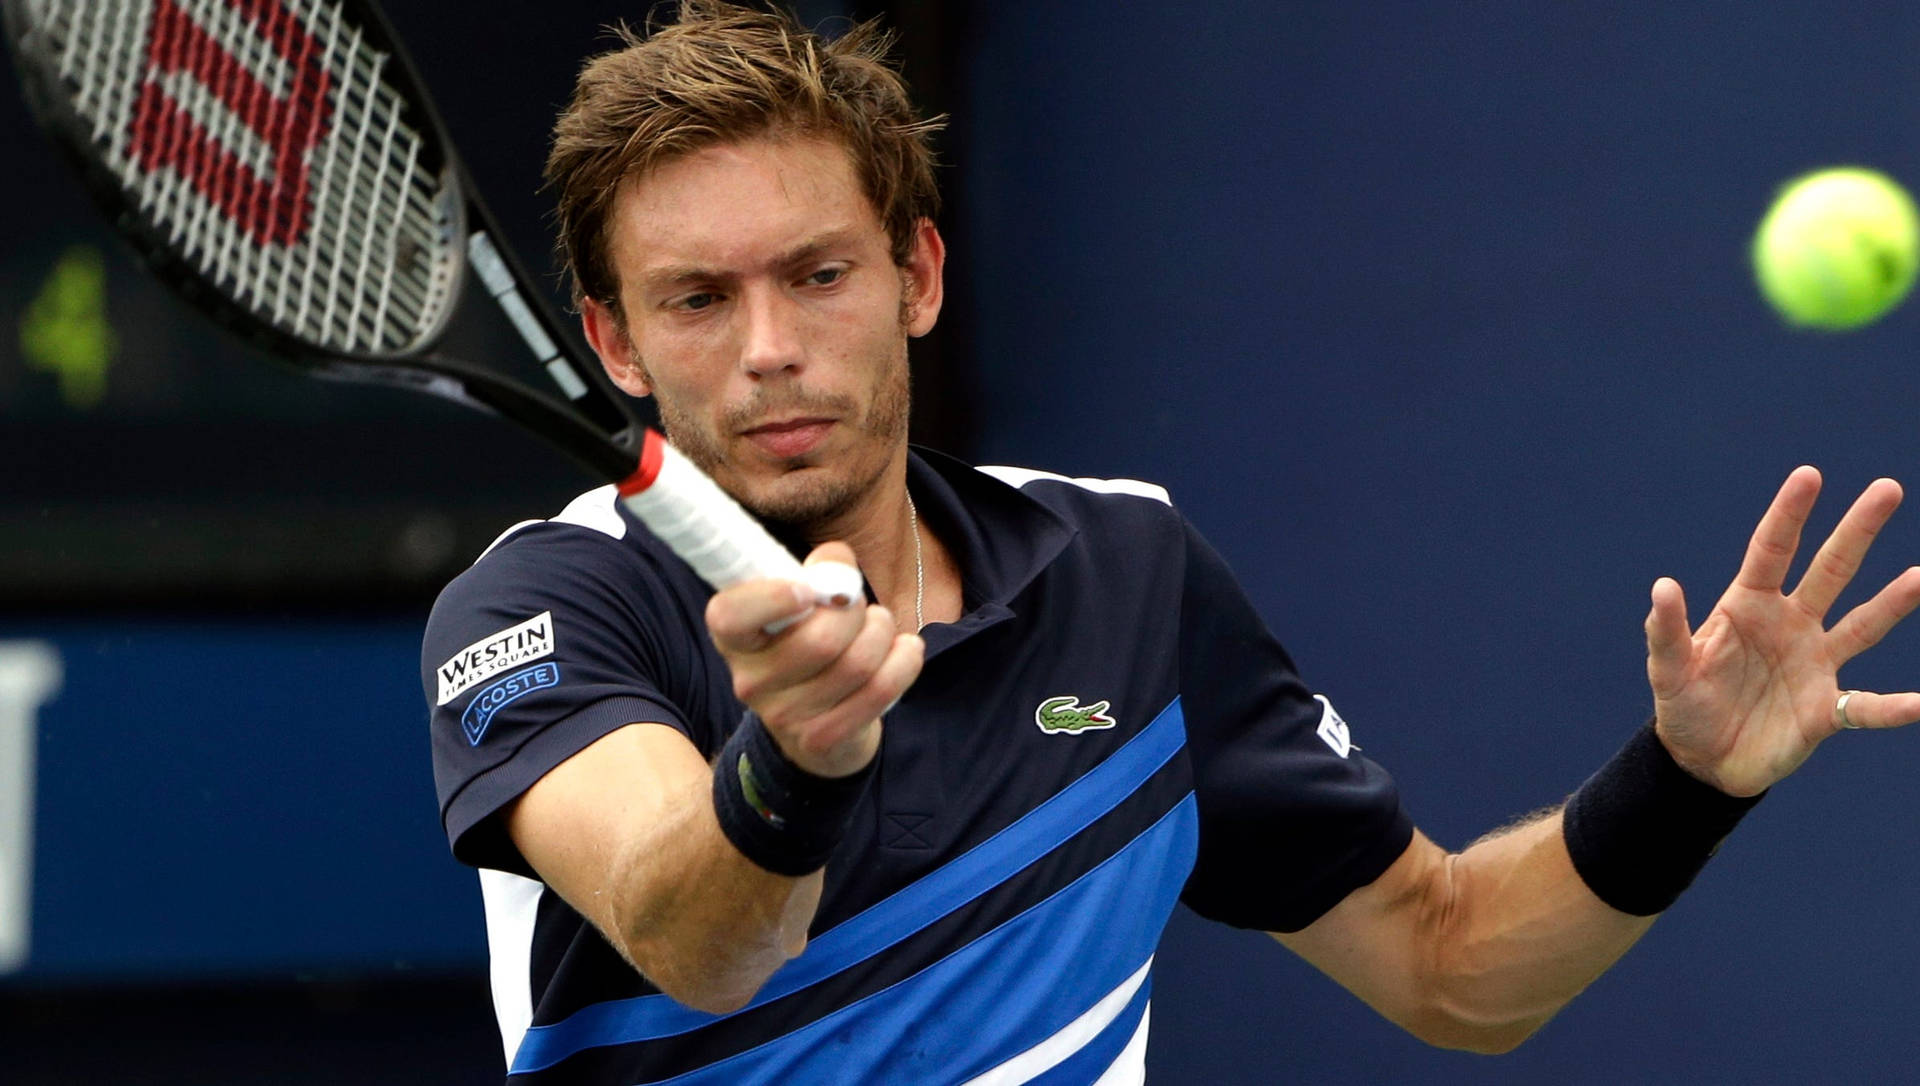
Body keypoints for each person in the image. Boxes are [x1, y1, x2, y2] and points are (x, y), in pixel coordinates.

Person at [421, 2, 1920, 1082]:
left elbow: (1450, 966)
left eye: (818, 274)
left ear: (917, 275)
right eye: (697, 300)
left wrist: (1687, 786)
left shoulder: (1123, 574)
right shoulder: (549, 603)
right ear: (614, 341)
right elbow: (697, 941)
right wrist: (791, 769)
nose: (769, 350)